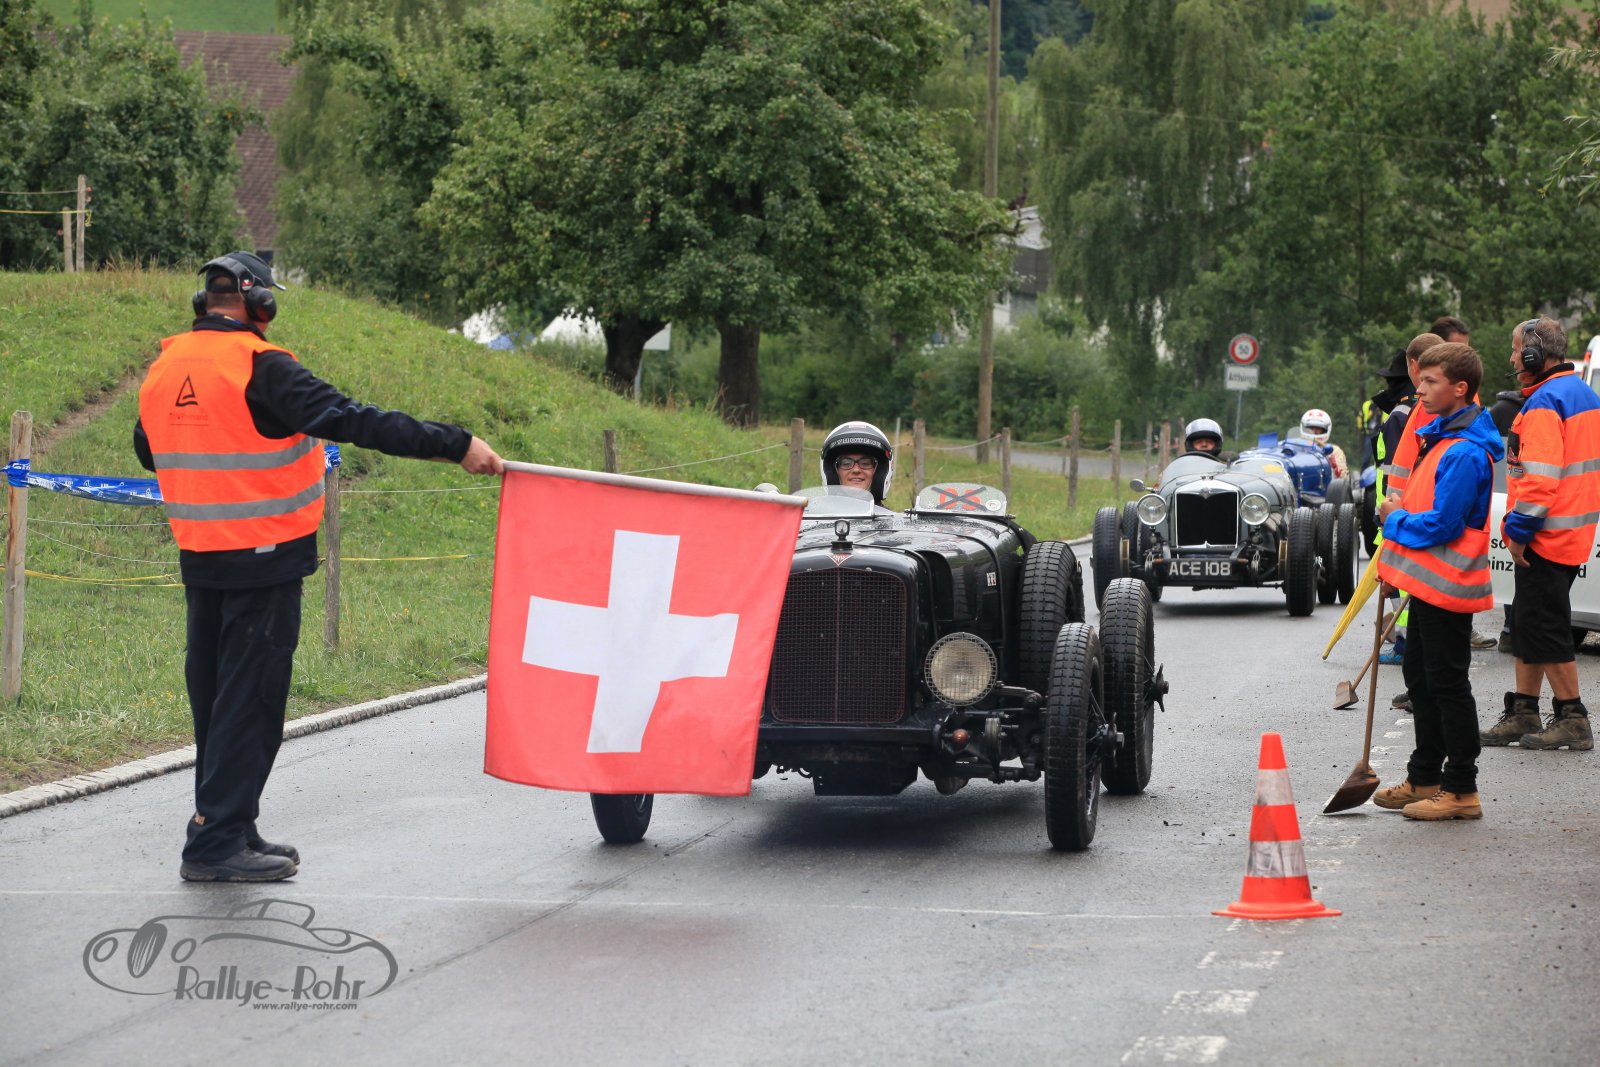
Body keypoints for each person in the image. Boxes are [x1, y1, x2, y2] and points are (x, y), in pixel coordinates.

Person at [134, 251, 505, 883]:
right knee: (250, 703)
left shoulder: (166, 367)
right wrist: (455, 442)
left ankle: (229, 824)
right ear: (259, 304)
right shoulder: (263, 366)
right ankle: (215, 844)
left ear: (205, 304)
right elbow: (354, 419)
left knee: (218, 700)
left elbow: (150, 450)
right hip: (264, 556)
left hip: (201, 555)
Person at [1371, 342, 1502, 819]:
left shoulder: (1464, 451)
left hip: (1448, 587)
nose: (1420, 390)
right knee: (1421, 679)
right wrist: (1394, 569)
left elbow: (1444, 524)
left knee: (1447, 684)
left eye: (1430, 382)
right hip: (1427, 584)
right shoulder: (1440, 437)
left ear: (1460, 388)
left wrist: (1393, 518)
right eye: (1420, 380)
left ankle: (1461, 790)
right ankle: (1425, 776)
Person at [1479, 317, 1600, 752]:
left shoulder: (1547, 402)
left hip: (1546, 535)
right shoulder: (1581, 394)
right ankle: (1523, 711)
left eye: (1516, 350)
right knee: (1529, 624)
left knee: (1545, 628)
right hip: (1568, 531)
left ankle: (1573, 718)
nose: (1513, 358)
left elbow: (1540, 481)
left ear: (1534, 355)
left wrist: (1517, 530)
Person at [820, 421, 895, 505]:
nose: (856, 470)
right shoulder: (816, 512)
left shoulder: (889, 514)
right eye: (846, 463)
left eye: (865, 463)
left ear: (878, 471)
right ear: (835, 470)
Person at [1298, 408, 1347, 477]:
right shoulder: (1296, 447)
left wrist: (1333, 465)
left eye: (1318, 429)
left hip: (1324, 480)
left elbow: (1342, 477)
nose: (1314, 431)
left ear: (1324, 430)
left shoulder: (1333, 451)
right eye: (1310, 428)